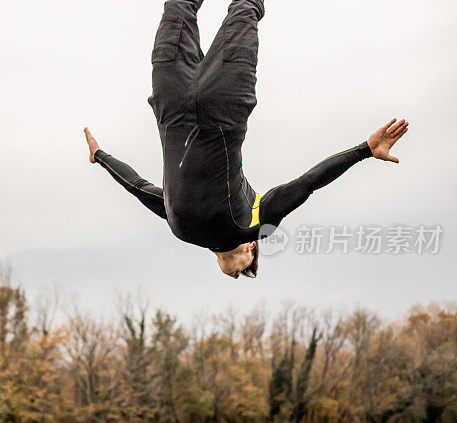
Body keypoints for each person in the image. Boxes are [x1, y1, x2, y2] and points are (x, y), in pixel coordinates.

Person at [83, 0, 409, 279]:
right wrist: (365, 150)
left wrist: (99, 155)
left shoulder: (177, 224)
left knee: (178, 5)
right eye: (249, 269)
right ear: (252, 248)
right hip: (226, 100)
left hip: (171, 102)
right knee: (246, 6)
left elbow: (136, 185)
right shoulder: (254, 221)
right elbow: (310, 182)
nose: (240, 274)